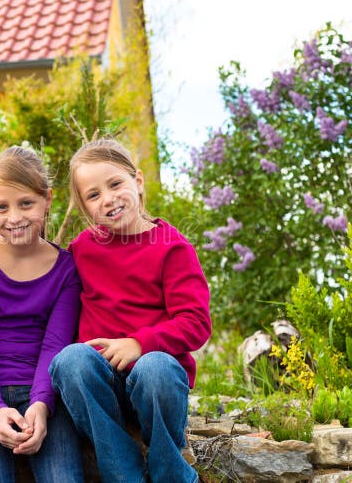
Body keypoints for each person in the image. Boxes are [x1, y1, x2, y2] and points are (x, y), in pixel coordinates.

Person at [49, 139, 212, 483]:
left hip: (155, 386)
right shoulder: (82, 250)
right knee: (70, 360)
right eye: (93, 195)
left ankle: (170, 472)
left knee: (156, 368)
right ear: (85, 207)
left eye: (115, 184)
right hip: (101, 388)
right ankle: (123, 474)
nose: (107, 198)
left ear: (137, 181)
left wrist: (139, 344)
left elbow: (196, 324)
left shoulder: (173, 248)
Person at [0, 145, 84, 482]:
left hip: (44, 394)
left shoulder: (66, 270)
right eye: (1, 207)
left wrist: (40, 405)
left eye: (26, 204)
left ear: (47, 200)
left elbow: (55, 347)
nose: (14, 217)